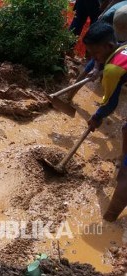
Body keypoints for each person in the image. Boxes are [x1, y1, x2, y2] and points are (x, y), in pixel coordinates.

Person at [82, 22, 127, 221]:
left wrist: (97, 116)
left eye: (95, 54)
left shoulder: (112, 70)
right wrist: (98, 66)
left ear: (108, 47)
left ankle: (109, 220)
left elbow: (110, 103)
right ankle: (122, 165)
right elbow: (101, 61)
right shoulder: (122, 47)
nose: (93, 59)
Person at [67, 5, 127, 102]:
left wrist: (108, 70)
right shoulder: (107, 18)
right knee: (90, 68)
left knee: (116, 79)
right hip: (106, 44)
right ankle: (69, 97)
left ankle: (105, 105)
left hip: (119, 50)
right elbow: (95, 46)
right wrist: (95, 67)